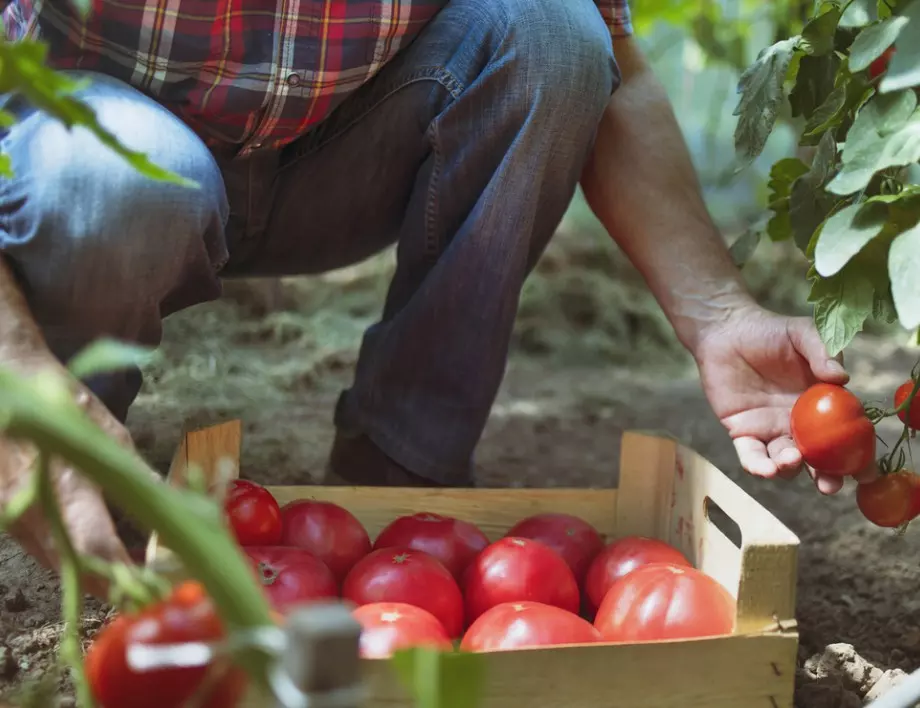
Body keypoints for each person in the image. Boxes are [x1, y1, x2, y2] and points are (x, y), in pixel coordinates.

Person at [0, 0, 869, 585]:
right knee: (116, 187)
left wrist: (718, 311)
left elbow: (614, 64)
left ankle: (403, 472)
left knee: (554, 33)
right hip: (91, 153)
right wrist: (14, 373)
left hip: (339, 148)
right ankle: (71, 454)